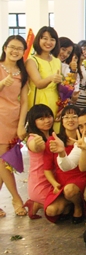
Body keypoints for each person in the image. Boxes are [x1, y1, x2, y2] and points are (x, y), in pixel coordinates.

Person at [44, 105, 86, 223]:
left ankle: (78, 207)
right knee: (51, 211)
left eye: (74, 116)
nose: (70, 120)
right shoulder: (53, 140)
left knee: (70, 190)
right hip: (61, 181)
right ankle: (70, 204)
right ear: (61, 120)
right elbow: (47, 169)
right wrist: (54, 184)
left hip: (80, 178)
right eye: (66, 117)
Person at [0, 35, 29, 216]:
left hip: (13, 119)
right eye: (12, 47)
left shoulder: (22, 73)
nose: (15, 51)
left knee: (4, 162)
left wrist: (21, 125)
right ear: (5, 48)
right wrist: (2, 84)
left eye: (19, 49)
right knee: (3, 161)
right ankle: (16, 198)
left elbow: (25, 101)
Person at [24, 105, 56, 219]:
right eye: (41, 119)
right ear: (33, 121)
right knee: (59, 209)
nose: (47, 121)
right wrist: (38, 144)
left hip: (53, 180)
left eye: (48, 117)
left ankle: (37, 204)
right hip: (40, 183)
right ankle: (36, 204)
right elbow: (35, 146)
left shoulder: (53, 135)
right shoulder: (33, 138)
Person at [26, 26, 62, 115]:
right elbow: (38, 84)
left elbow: (59, 86)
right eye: (45, 38)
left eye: (52, 39)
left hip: (55, 101)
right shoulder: (31, 60)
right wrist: (51, 78)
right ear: (38, 40)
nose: (48, 42)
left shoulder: (57, 61)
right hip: (38, 100)